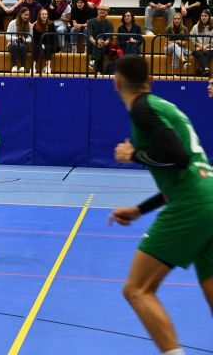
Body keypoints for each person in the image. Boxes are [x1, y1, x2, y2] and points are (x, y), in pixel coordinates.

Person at [109, 54, 213, 355]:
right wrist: (140, 209)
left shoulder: (142, 108)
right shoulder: (162, 105)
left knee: (137, 288)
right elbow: (183, 170)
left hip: (192, 202)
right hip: (207, 194)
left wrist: (133, 155)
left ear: (116, 83)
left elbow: (178, 159)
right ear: (151, 80)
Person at [87, 4, 113, 74]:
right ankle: (99, 71)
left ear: (107, 12)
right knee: (98, 47)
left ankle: (93, 61)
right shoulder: (90, 22)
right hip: (93, 45)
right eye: (100, 9)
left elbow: (109, 37)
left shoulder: (109, 24)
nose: (102, 11)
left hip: (105, 46)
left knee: (100, 47)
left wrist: (104, 43)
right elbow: (90, 35)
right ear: (97, 11)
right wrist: (96, 42)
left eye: (104, 10)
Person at [6, 7, 32, 73]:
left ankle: (23, 67)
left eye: (28, 15)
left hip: (24, 44)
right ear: (20, 14)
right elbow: (7, 36)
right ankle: (14, 66)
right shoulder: (12, 23)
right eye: (25, 15)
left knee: (22, 46)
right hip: (12, 44)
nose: (27, 16)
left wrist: (24, 40)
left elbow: (31, 38)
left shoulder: (29, 24)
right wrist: (16, 38)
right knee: (15, 45)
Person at [190, 10, 213, 76]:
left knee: (208, 53)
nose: (203, 17)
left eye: (205, 16)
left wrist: (205, 47)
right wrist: (201, 46)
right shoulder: (195, 27)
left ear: (209, 17)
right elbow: (192, 38)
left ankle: (201, 69)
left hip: (209, 48)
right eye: (202, 16)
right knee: (200, 54)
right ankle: (206, 69)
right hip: (197, 48)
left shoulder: (212, 27)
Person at [31, 8, 54, 75]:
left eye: (45, 14)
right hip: (38, 43)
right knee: (37, 47)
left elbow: (52, 36)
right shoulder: (36, 25)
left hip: (49, 43)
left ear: (47, 15)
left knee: (48, 47)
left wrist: (45, 44)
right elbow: (35, 38)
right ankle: (33, 67)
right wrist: (41, 44)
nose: (44, 16)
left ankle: (48, 67)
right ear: (40, 15)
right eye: (42, 14)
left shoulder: (51, 24)